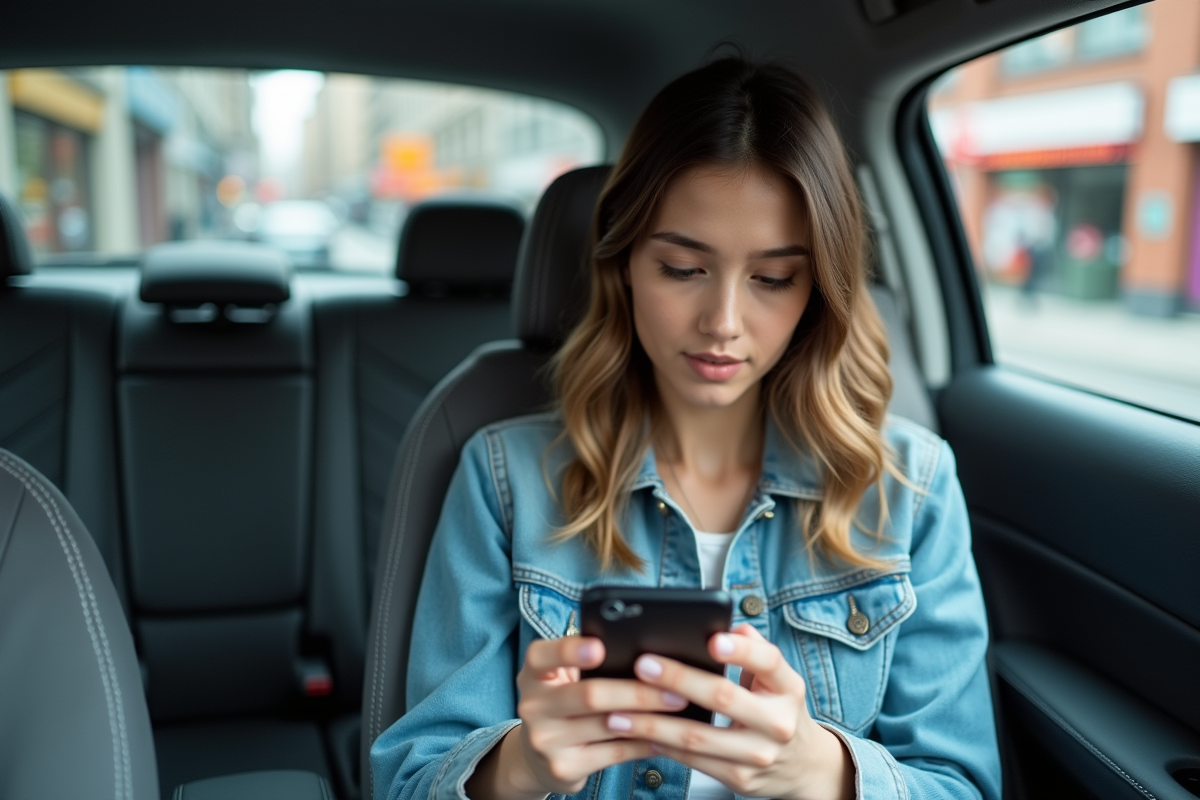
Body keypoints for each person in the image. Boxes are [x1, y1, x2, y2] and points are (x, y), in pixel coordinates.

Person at [372, 57, 1001, 800]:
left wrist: (825, 774)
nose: (724, 324)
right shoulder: (505, 480)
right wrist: (520, 767)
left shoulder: (910, 487)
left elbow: (962, 784)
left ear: (818, 289)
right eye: (682, 268)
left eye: (773, 279)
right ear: (625, 261)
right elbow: (411, 780)